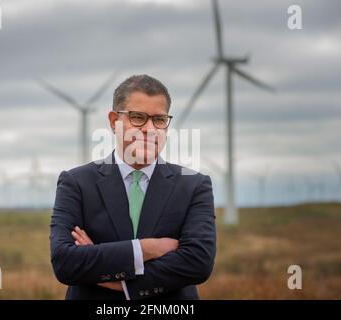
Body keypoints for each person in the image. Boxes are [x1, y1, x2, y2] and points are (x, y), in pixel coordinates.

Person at [49, 74, 217, 300]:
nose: (149, 129)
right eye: (138, 117)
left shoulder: (194, 185)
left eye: (159, 119)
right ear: (113, 121)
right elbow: (65, 263)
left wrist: (116, 281)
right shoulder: (76, 183)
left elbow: (198, 263)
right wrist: (148, 248)